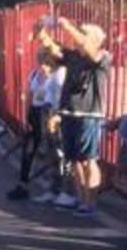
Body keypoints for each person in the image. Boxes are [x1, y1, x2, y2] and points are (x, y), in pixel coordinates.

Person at [35, 18, 112, 216]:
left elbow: (88, 49)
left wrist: (67, 26)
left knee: (88, 159)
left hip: (88, 114)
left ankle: (91, 202)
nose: (78, 38)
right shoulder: (73, 57)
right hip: (68, 112)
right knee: (75, 159)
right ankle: (81, 198)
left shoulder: (102, 56)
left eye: (84, 35)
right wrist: (43, 35)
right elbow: (54, 51)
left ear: (94, 39)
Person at [11, 51, 59, 201]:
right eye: (41, 63)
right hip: (34, 113)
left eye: (46, 64)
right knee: (28, 150)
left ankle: (54, 188)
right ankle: (22, 184)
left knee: (50, 152)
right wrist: (26, 118)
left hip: (47, 113)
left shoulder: (55, 78)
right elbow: (29, 95)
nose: (43, 67)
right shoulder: (33, 74)